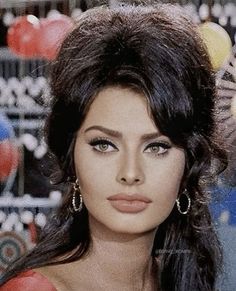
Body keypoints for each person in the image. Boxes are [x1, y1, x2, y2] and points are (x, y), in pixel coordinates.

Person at [0, 3, 227, 291]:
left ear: (190, 161)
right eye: (104, 144)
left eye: (156, 147)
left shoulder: (181, 277)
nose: (130, 173)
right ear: (71, 155)